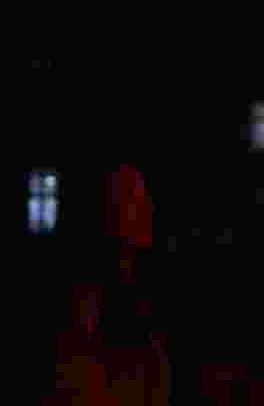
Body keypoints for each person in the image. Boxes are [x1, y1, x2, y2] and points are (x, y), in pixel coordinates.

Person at [50, 164, 172, 405]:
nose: (146, 210)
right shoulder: (85, 298)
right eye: (132, 201)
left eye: (143, 200)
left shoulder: (145, 286)